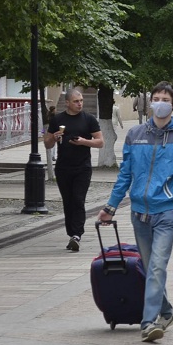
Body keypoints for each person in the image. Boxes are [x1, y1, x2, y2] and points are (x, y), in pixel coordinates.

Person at [98, 81, 173, 342]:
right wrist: (110, 206)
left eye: (165, 98)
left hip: (166, 213)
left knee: (156, 267)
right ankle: (165, 311)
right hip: (139, 212)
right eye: (156, 97)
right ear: (150, 101)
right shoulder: (135, 135)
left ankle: (148, 322)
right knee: (148, 266)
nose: (160, 102)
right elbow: (126, 174)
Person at [52, 88, 104, 252]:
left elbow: (100, 142)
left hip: (82, 168)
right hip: (63, 168)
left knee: (78, 199)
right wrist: (53, 138)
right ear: (67, 102)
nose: (79, 103)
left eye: (81, 100)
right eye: (76, 101)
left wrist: (83, 141)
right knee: (68, 201)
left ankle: (77, 235)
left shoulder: (89, 119)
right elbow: (47, 143)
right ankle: (71, 233)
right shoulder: (58, 119)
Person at [42, 105, 57, 182]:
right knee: (53, 145)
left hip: (47, 130)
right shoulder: (54, 117)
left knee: (50, 144)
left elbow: (44, 126)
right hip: (52, 131)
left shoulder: (47, 116)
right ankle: (53, 156)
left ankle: (51, 156)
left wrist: (43, 133)